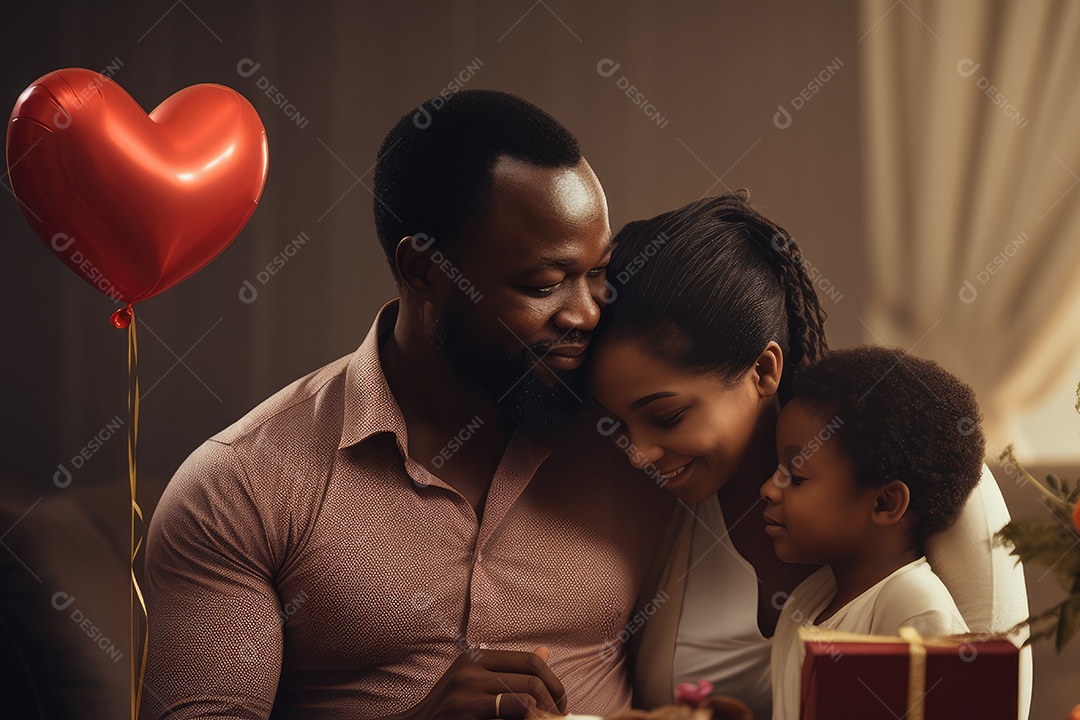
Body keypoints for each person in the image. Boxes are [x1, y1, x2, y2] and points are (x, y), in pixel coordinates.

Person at [140, 90, 674, 720]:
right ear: (424, 271)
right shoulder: (239, 486)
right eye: (543, 284)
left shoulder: (638, 434)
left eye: (599, 273)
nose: (585, 313)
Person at [590, 192, 828, 720]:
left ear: (764, 371)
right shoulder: (650, 520)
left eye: (667, 416)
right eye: (617, 424)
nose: (637, 454)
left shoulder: (904, 485)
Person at [763, 346, 981, 719]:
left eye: (796, 477)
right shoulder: (804, 603)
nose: (768, 488)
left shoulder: (914, 610)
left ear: (884, 503)